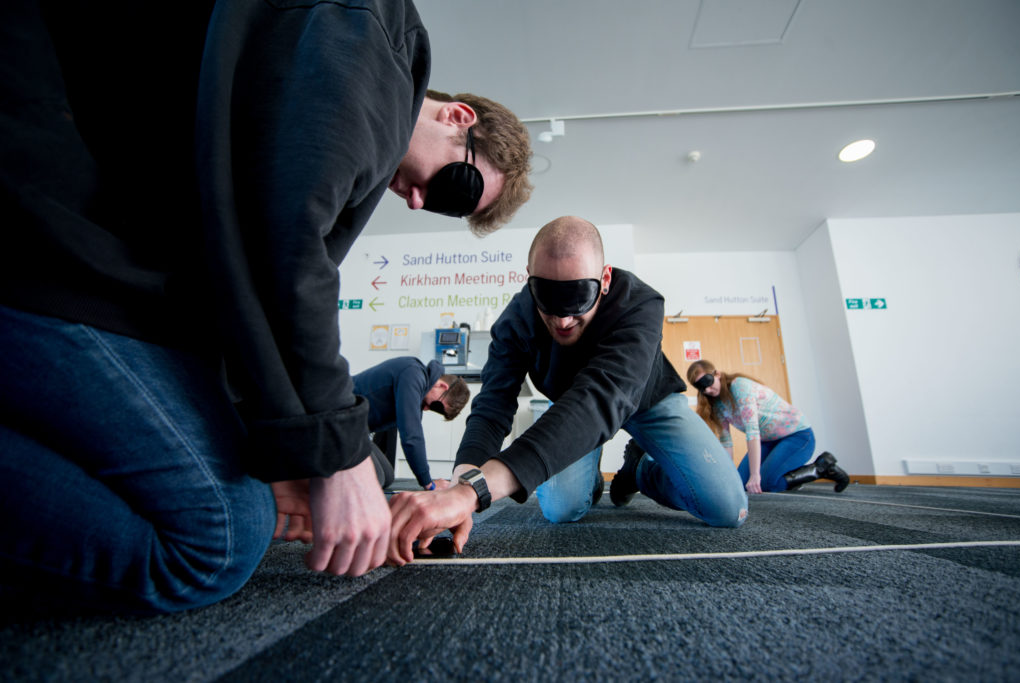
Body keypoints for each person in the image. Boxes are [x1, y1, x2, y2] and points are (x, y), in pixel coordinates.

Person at [0, 0, 532, 614]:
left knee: (251, 505)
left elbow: (237, 268)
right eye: (453, 187)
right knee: (217, 539)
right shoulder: (372, 41)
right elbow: (285, 250)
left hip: (91, 240)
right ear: (457, 116)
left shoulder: (311, 75)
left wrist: (288, 455)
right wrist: (340, 458)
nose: (417, 202)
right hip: (43, 229)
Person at [386, 216, 749, 564]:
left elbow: (602, 398)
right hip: (572, 413)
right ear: (529, 281)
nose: (562, 320)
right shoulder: (515, 322)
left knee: (727, 508)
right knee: (561, 509)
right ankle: (587, 478)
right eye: (548, 300)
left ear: (605, 279)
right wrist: (457, 486)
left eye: (578, 298)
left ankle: (639, 470)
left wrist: (473, 494)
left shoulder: (640, 304)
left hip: (646, 403)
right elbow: (493, 406)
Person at [685, 360, 849, 494]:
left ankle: (821, 468)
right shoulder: (717, 405)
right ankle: (786, 475)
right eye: (701, 387)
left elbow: (752, 432)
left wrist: (755, 475)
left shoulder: (739, 387)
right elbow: (727, 443)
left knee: (767, 483)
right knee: (741, 485)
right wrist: (729, 478)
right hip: (768, 442)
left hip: (797, 436)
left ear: (717, 374)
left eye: (707, 382)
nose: (707, 389)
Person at [353, 357, 470, 490]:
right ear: (442, 386)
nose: (427, 408)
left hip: (359, 432)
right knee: (375, 478)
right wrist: (429, 484)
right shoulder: (413, 374)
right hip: (340, 421)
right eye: (435, 406)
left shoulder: (419, 391)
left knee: (387, 476)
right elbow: (412, 437)